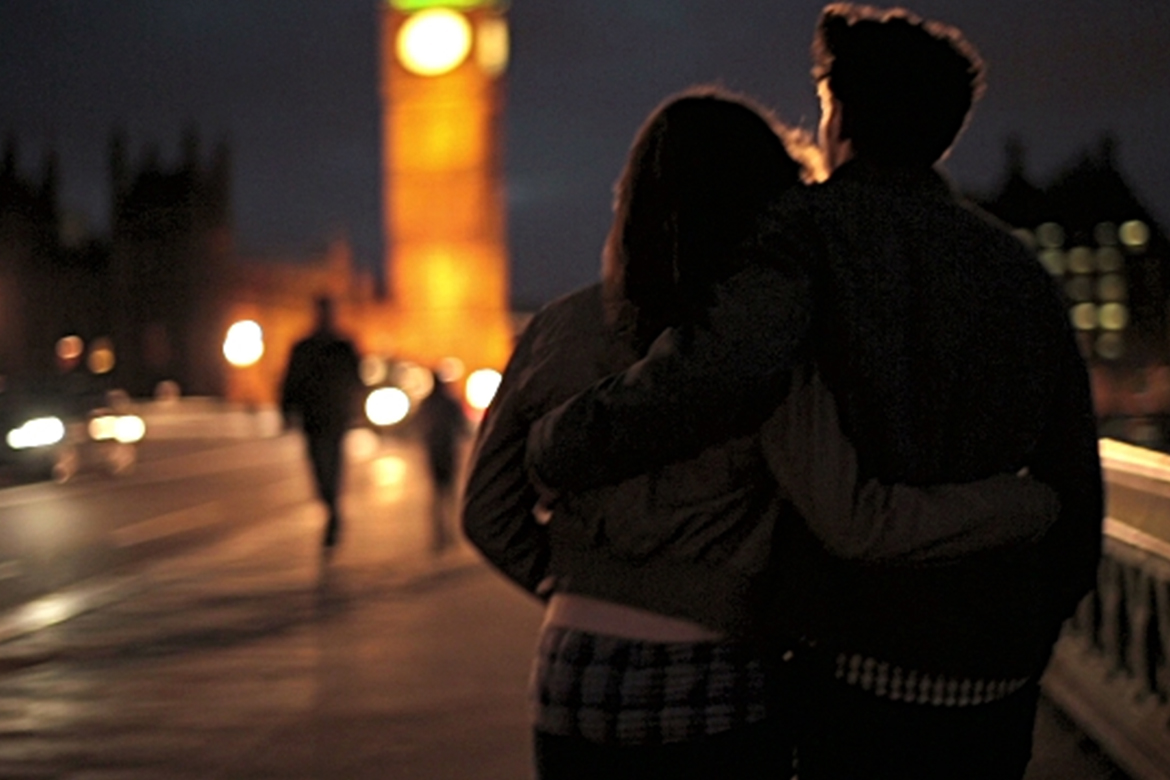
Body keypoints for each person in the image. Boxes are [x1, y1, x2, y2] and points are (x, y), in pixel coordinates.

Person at [524, 6, 1103, 779]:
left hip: (853, 665)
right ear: (945, 132)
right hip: (996, 672)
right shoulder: (1016, 270)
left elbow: (714, 375)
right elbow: (1075, 480)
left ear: (838, 116)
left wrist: (563, 443)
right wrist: (1031, 630)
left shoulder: (805, 235)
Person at [280, 295, 362, 549]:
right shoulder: (305, 346)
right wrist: (286, 411)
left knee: (332, 465)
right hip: (314, 417)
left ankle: (333, 509)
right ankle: (330, 506)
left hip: (333, 417)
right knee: (319, 466)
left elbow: (356, 381)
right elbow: (290, 381)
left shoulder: (343, 346)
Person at [415, 371, 471, 552]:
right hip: (447, 450)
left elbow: (419, 425)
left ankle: (440, 533)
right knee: (450, 492)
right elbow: (462, 426)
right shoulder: (449, 401)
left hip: (434, 451)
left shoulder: (428, 403)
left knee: (437, 494)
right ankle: (451, 532)